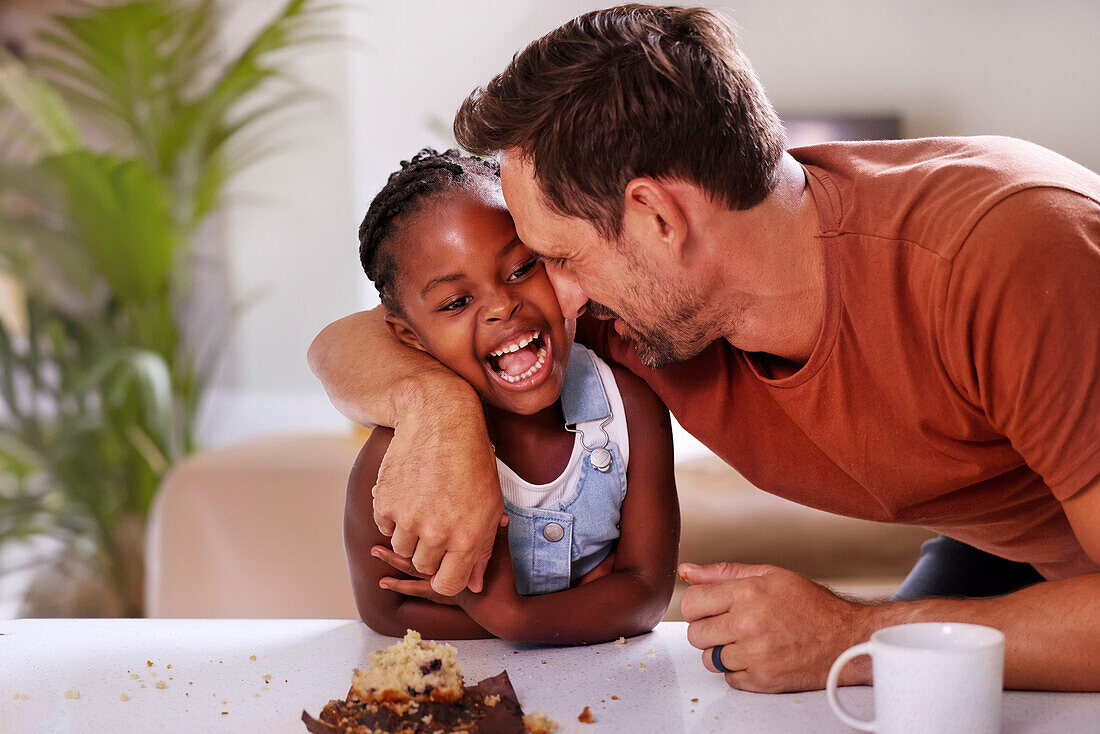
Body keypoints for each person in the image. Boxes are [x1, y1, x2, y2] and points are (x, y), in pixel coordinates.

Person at [309, 5, 1100, 691]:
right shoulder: (647, 295)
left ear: (657, 217)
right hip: (1010, 551)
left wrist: (852, 637)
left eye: (561, 257)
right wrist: (436, 409)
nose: (559, 298)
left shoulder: (1009, 258)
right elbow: (347, 344)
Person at [344, 148, 679, 643]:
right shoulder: (399, 462)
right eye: (457, 302)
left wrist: (507, 614)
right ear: (410, 337)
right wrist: (579, 609)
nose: (503, 304)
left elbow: (647, 595)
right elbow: (386, 609)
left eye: (523, 268)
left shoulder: (630, 413)